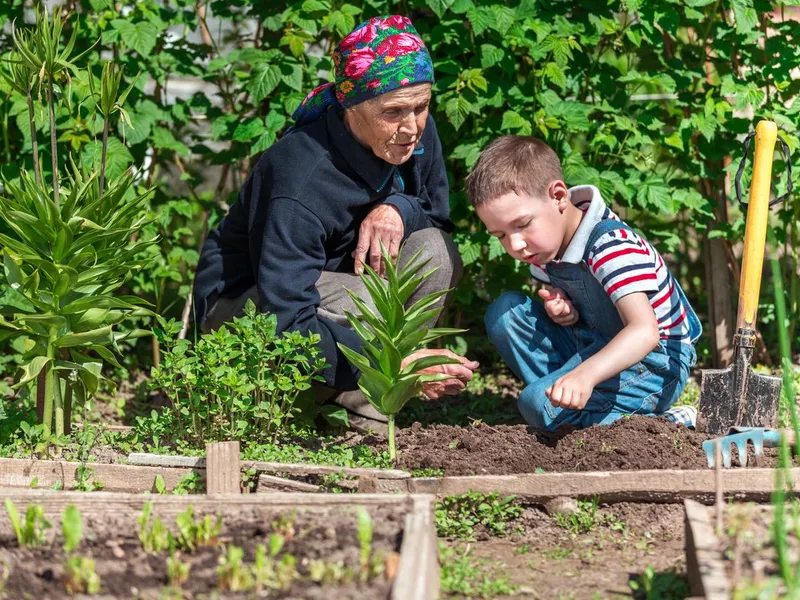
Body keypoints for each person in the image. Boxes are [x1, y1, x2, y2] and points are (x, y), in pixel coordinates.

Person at [193, 15, 478, 432]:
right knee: (367, 303)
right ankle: (304, 403)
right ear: (352, 107)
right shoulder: (300, 177)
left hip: (331, 290)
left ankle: (365, 401)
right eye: (394, 112)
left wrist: (398, 207)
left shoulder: (414, 130)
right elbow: (285, 317)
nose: (411, 126)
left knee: (435, 252)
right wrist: (393, 363)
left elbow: (436, 217)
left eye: (422, 106)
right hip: (248, 307)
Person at [465, 135, 701, 431]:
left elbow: (645, 331)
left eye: (522, 224)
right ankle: (570, 402)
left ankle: (656, 424)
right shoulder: (542, 248)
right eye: (499, 235)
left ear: (559, 196)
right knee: (505, 312)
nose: (515, 245)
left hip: (653, 364)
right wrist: (564, 313)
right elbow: (584, 310)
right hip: (594, 345)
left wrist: (585, 375)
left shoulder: (611, 246)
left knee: (537, 405)